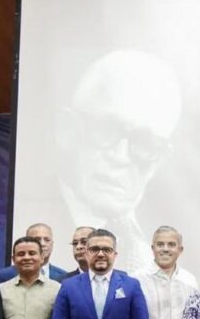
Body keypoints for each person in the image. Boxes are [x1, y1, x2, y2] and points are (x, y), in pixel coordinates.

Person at [49, 50, 185, 273]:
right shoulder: (38, 227)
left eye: (145, 143)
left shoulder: (175, 242)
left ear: (158, 160)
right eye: (107, 130)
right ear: (68, 130)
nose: (120, 157)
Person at [0, 223, 67, 283]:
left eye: (47, 240)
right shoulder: (4, 275)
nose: (42, 244)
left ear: (52, 244)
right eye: (37, 239)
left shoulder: (64, 276)